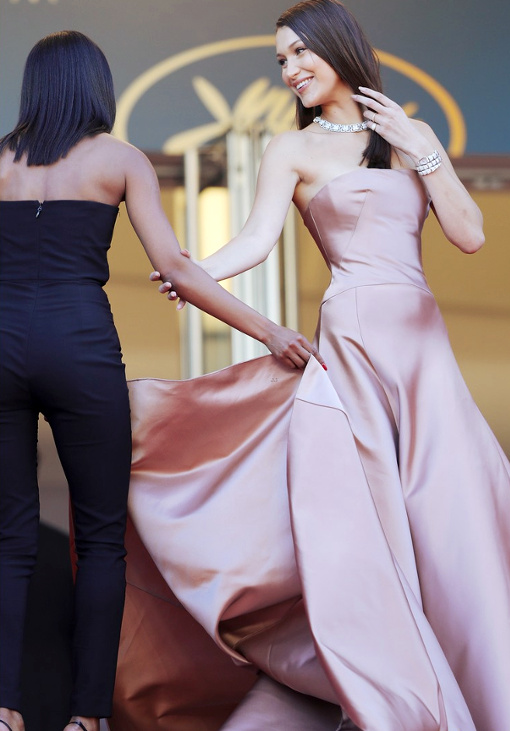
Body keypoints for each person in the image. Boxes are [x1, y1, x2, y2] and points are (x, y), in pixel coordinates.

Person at [122, 1, 510, 730]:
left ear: (337, 47)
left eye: (299, 53)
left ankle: (485, 695)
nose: (290, 70)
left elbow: (469, 235)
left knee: (454, 522)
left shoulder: (408, 135)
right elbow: (256, 239)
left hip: (423, 349)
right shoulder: (292, 149)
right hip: (352, 341)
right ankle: (400, 697)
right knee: (374, 522)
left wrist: (420, 147)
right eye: (281, 60)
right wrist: (194, 270)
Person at [0, 30, 322, 731]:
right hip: (79, 345)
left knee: (8, 538)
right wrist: (269, 331)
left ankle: (4, 709)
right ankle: (87, 718)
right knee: (101, 539)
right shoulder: (119, 160)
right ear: (97, 88)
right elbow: (175, 267)